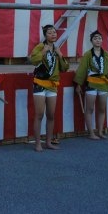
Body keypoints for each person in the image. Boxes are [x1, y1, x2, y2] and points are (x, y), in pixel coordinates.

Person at [73, 30, 108, 139]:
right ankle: (91, 133)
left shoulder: (107, 55)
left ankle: (100, 131)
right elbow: (82, 69)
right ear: (91, 41)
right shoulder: (87, 55)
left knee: (101, 109)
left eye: (99, 38)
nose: (98, 40)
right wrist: (78, 84)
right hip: (91, 83)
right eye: (95, 38)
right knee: (89, 109)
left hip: (104, 84)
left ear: (102, 40)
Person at [29, 24, 69, 152]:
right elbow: (33, 60)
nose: (53, 34)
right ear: (45, 35)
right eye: (50, 33)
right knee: (39, 114)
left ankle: (48, 142)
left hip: (52, 85)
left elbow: (65, 68)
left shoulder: (57, 49)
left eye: (54, 32)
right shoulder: (41, 46)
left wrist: (61, 55)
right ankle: (37, 143)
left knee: (51, 115)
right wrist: (43, 52)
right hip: (40, 83)